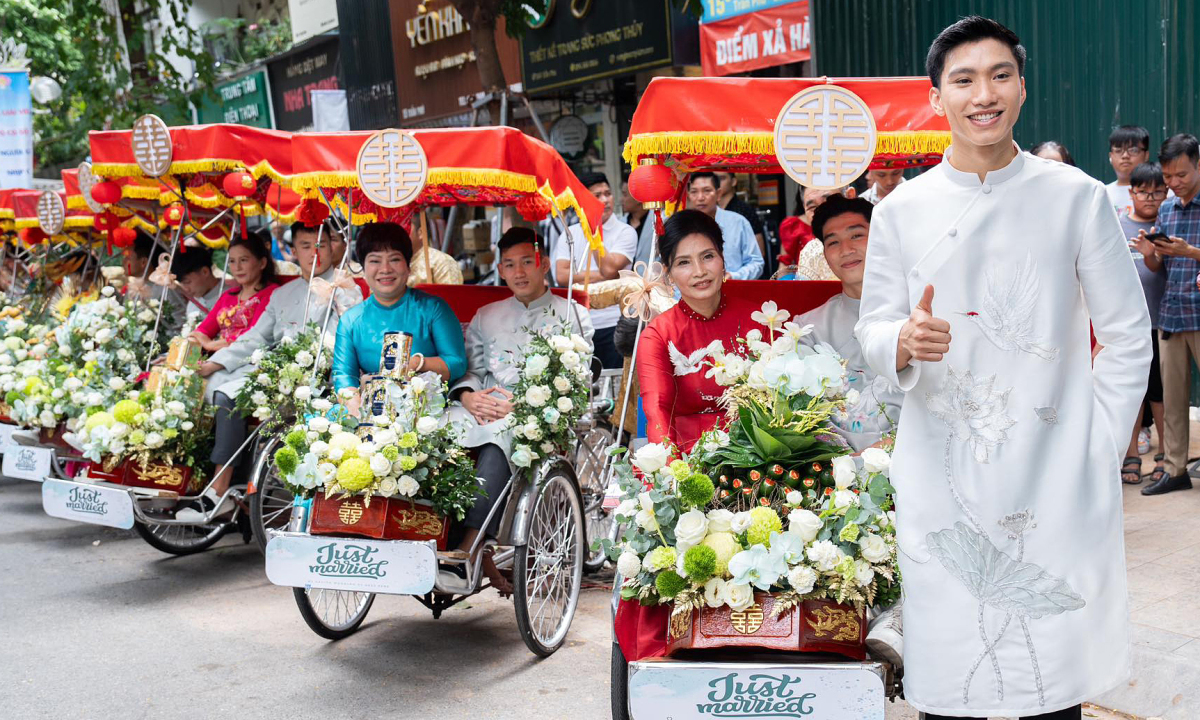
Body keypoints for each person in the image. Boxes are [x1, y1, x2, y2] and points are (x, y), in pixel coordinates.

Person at [855, 17, 1150, 720]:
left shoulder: (1073, 196)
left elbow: (1127, 335)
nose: (982, 94)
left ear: (1021, 89)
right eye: (963, 79)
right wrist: (904, 340)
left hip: (1053, 478)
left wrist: (1095, 446)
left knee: (1051, 679)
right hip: (944, 474)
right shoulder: (902, 211)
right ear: (937, 97)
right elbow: (872, 328)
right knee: (954, 674)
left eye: (999, 76)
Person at [179, 221, 363, 521]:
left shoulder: (346, 290)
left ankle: (220, 488)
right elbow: (255, 337)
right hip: (278, 372)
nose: (314, 252)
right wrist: (217, 360)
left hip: (321, 378)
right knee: (216, 388)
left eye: (321, 245)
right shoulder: (283, 294)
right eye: (305, 246)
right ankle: (212, 483)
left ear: (333, 246)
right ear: (293, 251)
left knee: (230, 394)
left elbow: (342, 341)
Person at [449, 227, 593, 592]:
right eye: (510, 265)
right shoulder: (486, 315)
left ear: (543, 264)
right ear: (499, 269)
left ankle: (468, 547)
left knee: (503, 436)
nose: (519, 272)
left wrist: (524, 403)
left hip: (540, 413)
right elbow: (473, 371)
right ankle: (430, 534)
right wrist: (468, 397)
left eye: (527, 262)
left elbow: (577, 380)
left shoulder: (572, 314)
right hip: (483, 405)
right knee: (440, 429)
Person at [637, 209, 766, 453]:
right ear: (669, 274)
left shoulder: (759, 320)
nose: (699, 271)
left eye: (707, 256)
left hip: (759, 455)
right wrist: (672, 473)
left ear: (723, 259)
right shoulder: (658, 335)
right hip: (689, 460)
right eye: (683, 262)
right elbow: (657, 411)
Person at [796, 195, 903, 452]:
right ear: (824, 254)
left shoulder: (914, 315)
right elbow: (803, 416)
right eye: (833, 242)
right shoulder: (808, 328)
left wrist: (885, 449)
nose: (846, 250)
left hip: (912, 458)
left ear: (880, 237)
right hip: (835, 469)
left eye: (856, 236)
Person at [332, 222, 466, 398]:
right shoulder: (350, 320)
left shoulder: (434, 308)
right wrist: (356, 412)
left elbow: (457, 364)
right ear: (363, 269)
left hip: (429, 411)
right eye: (375, 261)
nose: (385, 269)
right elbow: (343, 377)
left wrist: (416, 364)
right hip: (372, 410)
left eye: (394, 259)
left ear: (408, 266)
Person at [1139, 134, 1200, 495]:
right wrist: (1151, 252)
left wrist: (1191, 251)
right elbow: (1159, 266)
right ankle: (1175, 469)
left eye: (1181, 175)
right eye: (1169, 177)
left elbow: (1188, 254)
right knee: (1173, 400)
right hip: (1172, 313)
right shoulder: (1166, 208)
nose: (1174, 183)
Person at [1113, 163, 1168, 486]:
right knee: (1133, 393)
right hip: (1129, 325)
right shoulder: (1118, 226)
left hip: (1162, 324)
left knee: (1162, 396)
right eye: (1144, 191)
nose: (1150, 198)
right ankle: (1131, 453)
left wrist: (1151, 254)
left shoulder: (1167, 224)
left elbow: (1160, 269)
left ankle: (1165, 455)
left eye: (1157, 191)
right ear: (1131, 193)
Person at [552, 171, 637, 369]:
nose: (604, 200)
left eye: (607, 193)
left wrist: (593, 231)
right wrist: (604, 277)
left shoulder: (626, 231)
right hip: (578, 323)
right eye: (596, 196)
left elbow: (607, 268)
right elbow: (562, 276)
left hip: (614, 321)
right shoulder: (569, 232)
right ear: (582, 200)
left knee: (616, 384)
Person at [187, 232, 280, 354]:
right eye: (232, 261)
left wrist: (210, 344)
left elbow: (252, 337)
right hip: (216, 359)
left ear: (262, 263)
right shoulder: (228, 296)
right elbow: (202, 331)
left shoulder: (272, 293)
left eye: (243, 260)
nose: (237, 267)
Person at [685, 172, 764, 282]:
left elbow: (756, 263)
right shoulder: (681, 225)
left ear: (718, 194)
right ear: (688, 195)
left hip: (732, 290)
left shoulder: (738, 222)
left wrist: (734, 276)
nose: (700, 197)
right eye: (694, 192)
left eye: (707, 191)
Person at [124, 231, 186, 337]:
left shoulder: (167, 289)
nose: (123, 262)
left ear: (143, 262)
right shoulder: (133, 288)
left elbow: (178, 328)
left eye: (128, 258)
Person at [713, 171, 766, 260]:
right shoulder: (711, 210)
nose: (717, 182)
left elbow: (759, 251)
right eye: (714, 179)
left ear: (733, 181)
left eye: (722, 178)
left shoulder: (744, 210)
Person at [170, 246, 223, 326]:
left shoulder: (232, 293)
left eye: (187, 282)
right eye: (182, 284)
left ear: (205, 272)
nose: (186, 289)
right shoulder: (192, 305)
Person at [1106, 125, 1151, 217]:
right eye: (1118, 150)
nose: (1125, 155)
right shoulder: (1103, 193)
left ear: (1146, 155)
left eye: (1133, 150)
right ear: (1110, 156)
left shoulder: (1160, 192)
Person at [405, 216, 463, 286]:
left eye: (405, 229)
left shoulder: (441, 262)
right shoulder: (393, 265)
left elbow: (451, 295)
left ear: (421, 233)